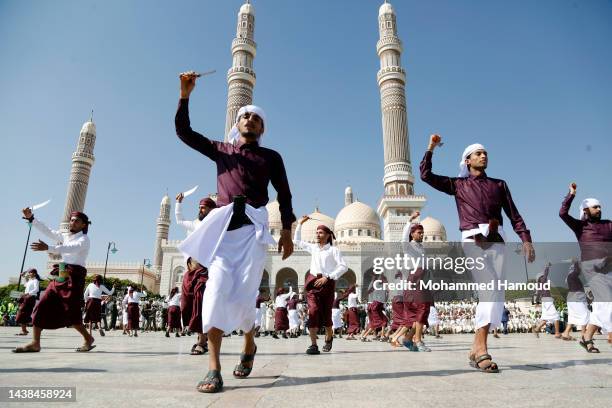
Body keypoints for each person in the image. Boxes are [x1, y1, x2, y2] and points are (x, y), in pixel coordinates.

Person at [175, 71, 295, 393]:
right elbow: (184, 132)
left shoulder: (271, 157)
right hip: (224, 235)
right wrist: (185, 96)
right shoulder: (222, 151)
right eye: (246, 116)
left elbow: (284, 193)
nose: (251, 120)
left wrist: (287, 230)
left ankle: (249, 343)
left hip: (252, 234)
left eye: (257, 118)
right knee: (214, 294)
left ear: (262, 128)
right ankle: (214, 368)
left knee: (244, 298)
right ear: (237, 122)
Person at [421, 135, 535, 372]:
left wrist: (526, 238)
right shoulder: (458, 185)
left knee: (496, 292)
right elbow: (425, 175)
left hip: (497, 239)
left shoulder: (499, 184)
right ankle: (481, 348)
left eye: (485, 153)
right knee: (490, 285)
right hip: (473, 239)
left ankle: (476, 347)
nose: (483, 156)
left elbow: (514, 214)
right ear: (467, 160)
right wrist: (431, 148)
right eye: (478, 153)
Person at [13, 209, 95, 353]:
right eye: (72, 220)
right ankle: (35, 343)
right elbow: (49, 231)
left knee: (71, 310)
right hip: (62, 271)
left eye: (76, 221)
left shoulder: (84, 239)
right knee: (42, 304)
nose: (73, 222)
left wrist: (49, 248)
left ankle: (88, 338)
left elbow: (71, 248)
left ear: (83, 225)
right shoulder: (66, 235)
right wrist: (32, 218)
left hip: (74, 275)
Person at [559, 183, 612, 353]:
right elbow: (562, 213)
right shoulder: (579, 226)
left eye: (600, 206)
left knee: (603, 306)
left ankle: (586, 338)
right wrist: (571, 195)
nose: (599, 209)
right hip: (592, 268)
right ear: (585, 210)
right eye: (595, 207)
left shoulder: (608, 224)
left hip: (609, 266)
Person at [294, 215, 348, 354]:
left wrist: (328, 277)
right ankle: (313, 345)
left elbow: (344, 266)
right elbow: (297, 241)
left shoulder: (333, 250)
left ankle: (329, 337)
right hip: (313, 283)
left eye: (320, 232)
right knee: (313, 311)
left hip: (327, 284)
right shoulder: (314, 248)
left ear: (328, 235)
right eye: (316, 232)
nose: (317, 234)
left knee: (326, 315)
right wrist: (300, 224)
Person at [532, 263, 561, 338]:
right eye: (541, 277)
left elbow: (538, 294)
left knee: (546, 318)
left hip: (545, 301)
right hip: (547, 301)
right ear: (540, 278)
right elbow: (545, 275)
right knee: (556, 316)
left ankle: (537, 329)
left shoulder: (539, 285)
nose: (543, 278)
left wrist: (537, 302)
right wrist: (547, 267)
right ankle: (557, 333)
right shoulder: (543, 282)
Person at [561, 259, 588, 341]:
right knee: (585, 314)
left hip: (572, 298)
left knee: (573, 316)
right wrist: (576, 262)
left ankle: (566, 333)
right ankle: (584, 334)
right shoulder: (573, 275)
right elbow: (577, 270)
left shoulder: (570, 277)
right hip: (577, 298)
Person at [15, 268, 42, 336]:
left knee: (22, 312)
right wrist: (23, 276)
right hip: (26, 298)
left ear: (34, 274)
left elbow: (36, 289)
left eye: (30, 272)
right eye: (29, 273)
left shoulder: (36, 281)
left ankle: (24, 330)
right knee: (24, 313)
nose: (29, 274)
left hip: (30, 298)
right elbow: (25, 284)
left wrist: (28, 293)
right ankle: (24, 330)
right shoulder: (30, 281)